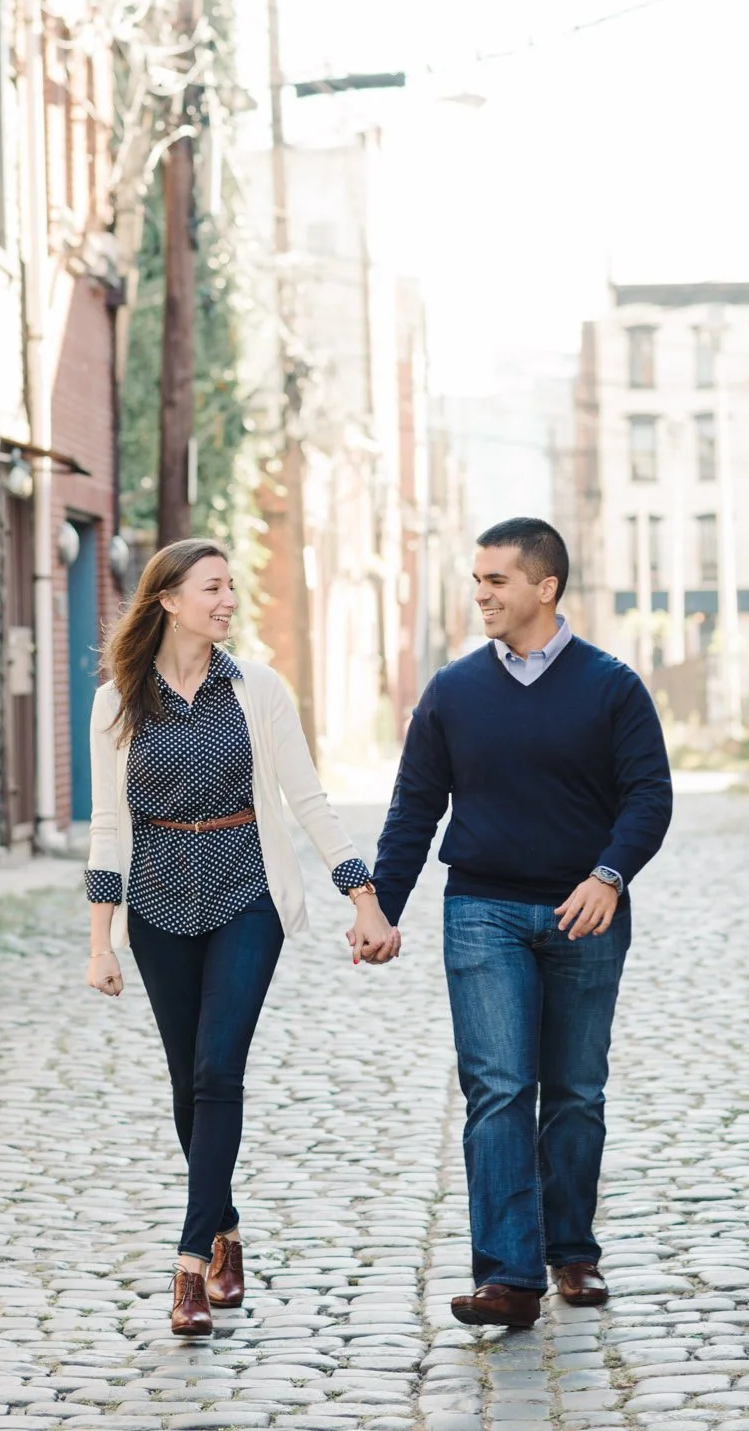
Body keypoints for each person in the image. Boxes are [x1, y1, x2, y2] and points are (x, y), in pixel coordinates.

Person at [364, 516, 672, 1329]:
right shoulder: (453, 691)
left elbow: (649, 797)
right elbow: (414, 810)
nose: (481, 594)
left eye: (496, 580)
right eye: (476, 580)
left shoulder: (612, 686)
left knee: (575, 1091)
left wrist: (610, 875)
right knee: (498, 1088)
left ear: (546, 586)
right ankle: (507, 1274)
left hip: (587, 913)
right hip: (483, 909)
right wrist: (379, 907)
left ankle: (572, 1249)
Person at [83, 538, 394, 1336]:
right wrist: (100, 938)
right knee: (189, 1086)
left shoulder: (257, 689)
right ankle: (225, 1228)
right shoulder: (118, 701)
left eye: (231, 587)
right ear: (169, 601)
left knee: (221, 1067)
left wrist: (363, 898)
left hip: (245, 893)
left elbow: (309, 801)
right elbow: (109, 823)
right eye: (213, 587)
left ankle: (188, 1267)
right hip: (157, 902)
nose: (228, 600)